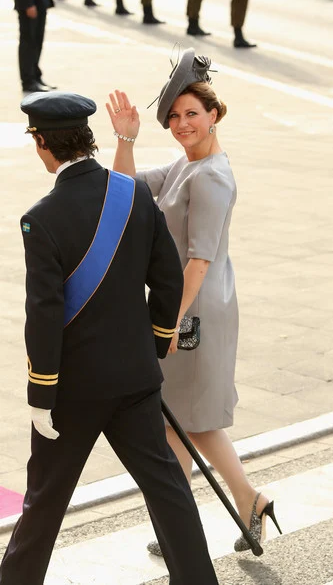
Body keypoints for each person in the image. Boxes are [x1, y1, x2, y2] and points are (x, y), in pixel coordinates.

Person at [0, 91, 219, 585]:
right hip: (135, 380)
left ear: (42, 144)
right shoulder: (133, 194)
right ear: (86, 138)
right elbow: (167, 277)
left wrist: (42, 393)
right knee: (167, 491)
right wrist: (159, 336)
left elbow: (44, 313)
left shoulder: (42, 217)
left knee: (45, 503)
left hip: (73, 391)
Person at [106, 48, 282, 557]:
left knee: (188, 421)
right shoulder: (186, 166)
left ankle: (235, 503)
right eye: (175, 116)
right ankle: (231, 506)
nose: (182, 123)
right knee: (182, 422)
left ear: (215, 115)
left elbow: (198, 262)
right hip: (195, 309)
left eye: (192, 114)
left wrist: (168, 324)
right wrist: (125, 138)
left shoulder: (211, 177)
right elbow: (123, 190)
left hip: (196, 312)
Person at [14, 0, 57, 93]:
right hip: (29, 2)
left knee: (37, 42)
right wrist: (28, 3)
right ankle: (28, 81)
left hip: (40, 0)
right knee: (28, 43)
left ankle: (35, 76)